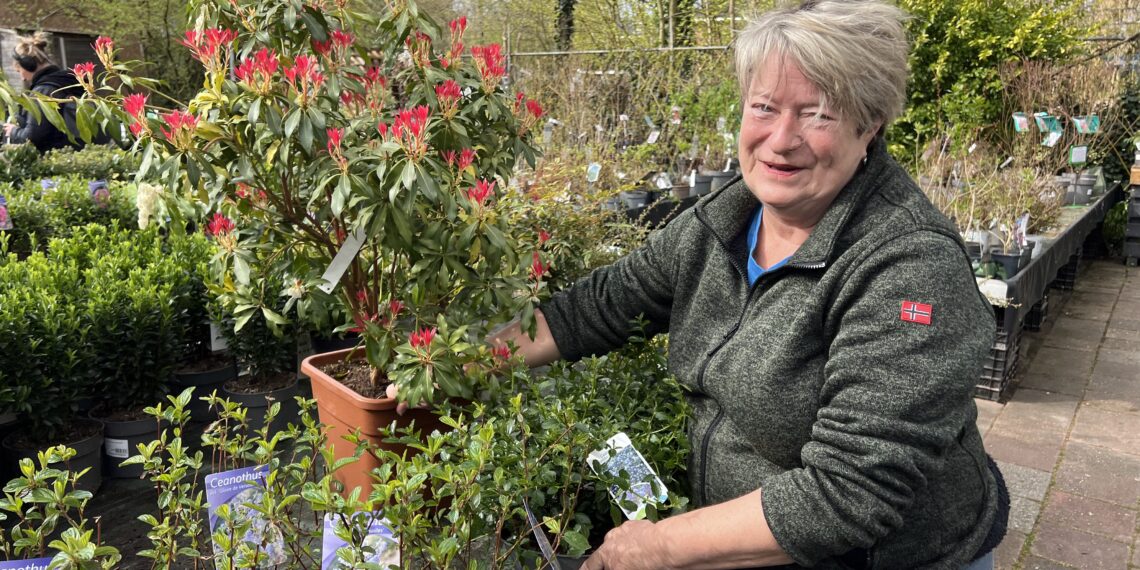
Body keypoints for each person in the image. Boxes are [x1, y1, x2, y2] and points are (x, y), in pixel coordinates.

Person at [395, 1, 1007, 567]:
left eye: (817, 114)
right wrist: (463, 363)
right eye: (764, 106)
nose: (781, 138)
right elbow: (602, 305)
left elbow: (848, 494)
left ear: (869, 126)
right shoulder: (727, 218)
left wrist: (660, 546)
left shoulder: (908, 268)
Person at [3, 32, 90, 153]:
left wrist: (13, 131)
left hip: (57, 159)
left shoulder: (43, 91)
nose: (22, 78)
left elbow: (33, 138)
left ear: (28, 65)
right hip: (80, 153)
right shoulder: (69, 82)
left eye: (19, 71)